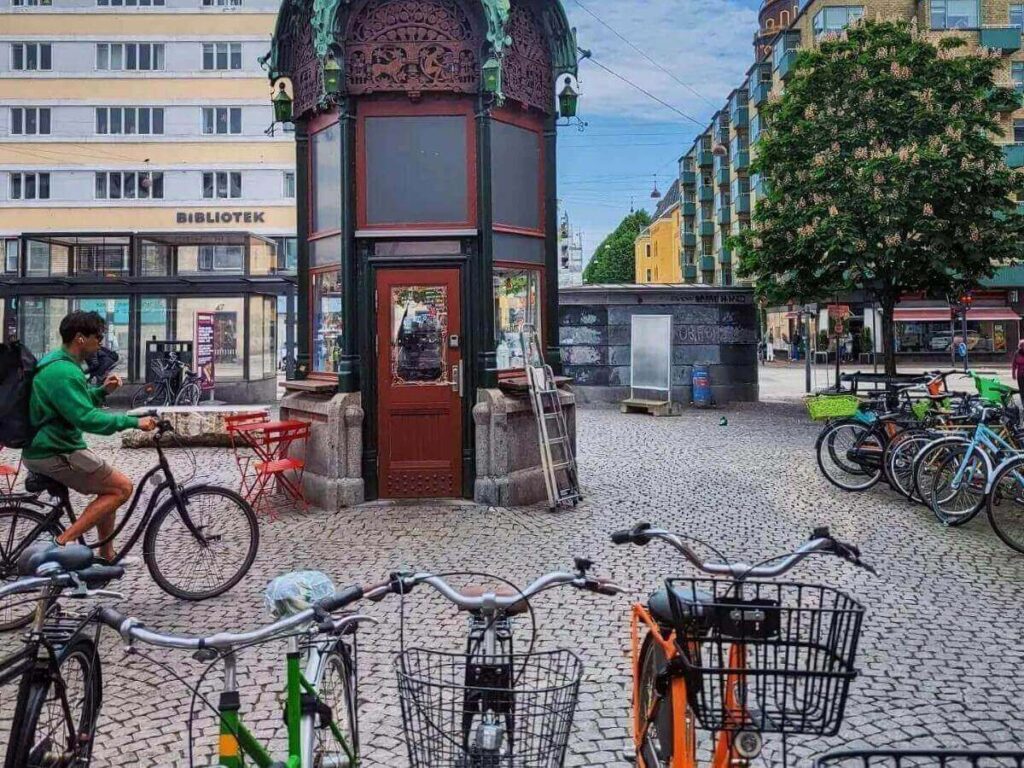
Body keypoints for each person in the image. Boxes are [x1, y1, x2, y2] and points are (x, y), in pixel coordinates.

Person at [21, 311, 157, 562]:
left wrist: (101, 392)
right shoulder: (64, 372)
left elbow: (69, 405)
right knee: (121, 488)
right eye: (98, 337)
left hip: (50, 446)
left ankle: (106, 557)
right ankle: (61, 544)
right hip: (54, 451)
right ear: (80, 339)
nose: (101, 343)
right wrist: (133, 422)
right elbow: (87, 419)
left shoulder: (58, 362)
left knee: (109, 486)